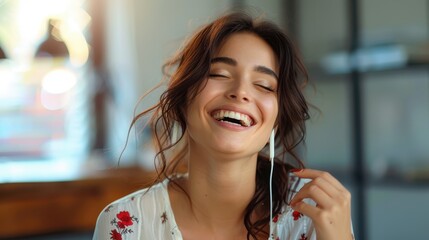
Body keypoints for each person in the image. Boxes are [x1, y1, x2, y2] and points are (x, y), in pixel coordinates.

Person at [92, 12, 354, 240]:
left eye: (263, 85)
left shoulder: (315, 213)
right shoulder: (125, 224)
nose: (240, 92)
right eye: (219, 74)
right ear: (184, 98)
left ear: (277, 119)